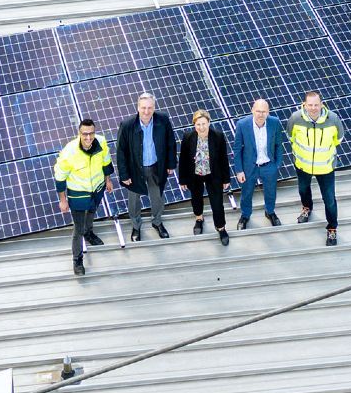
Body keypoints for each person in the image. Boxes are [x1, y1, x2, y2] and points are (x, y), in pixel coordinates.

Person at [52, 118, 112, 276]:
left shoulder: (101, 142)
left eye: (91, 133)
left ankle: (89, 233)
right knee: (77, 229)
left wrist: (108, 180)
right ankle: (77, 260)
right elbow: (60, 177)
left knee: (92, 213)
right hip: (78, 195)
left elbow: (106, 161)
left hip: (97, 189)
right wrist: (63, 200)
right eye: (84, 134)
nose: (88, 138)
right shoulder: (69, 152)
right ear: (79, 133)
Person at [116, 92, 175, 240]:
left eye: (150, 108)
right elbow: (120, 151)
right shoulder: (127, 125)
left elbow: (170, 143)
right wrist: (124, 174)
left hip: (156, 167)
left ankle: (157, 222)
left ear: (154, 107)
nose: (146, 111)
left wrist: (170, 163)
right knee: (134, 199)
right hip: (134, 169)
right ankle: (136, 226)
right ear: (138, 107)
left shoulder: (163, 120)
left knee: (157, 197)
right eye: (143, 108)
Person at [289, 90, 342, 245]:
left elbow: (339, 138)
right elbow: (290, 136)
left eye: (316, 105)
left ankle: (332, 228)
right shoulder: (295, 118)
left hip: (325, 168)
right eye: (310, 105)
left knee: (329, 200)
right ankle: (307, 208)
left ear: (321, 104)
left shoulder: (333, 119)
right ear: (304, 105)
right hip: (303, 165)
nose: (313, 108)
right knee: (303, 190)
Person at [177, 109, 231, 246]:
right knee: (196, 198)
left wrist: (226, 179)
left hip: (214, 175)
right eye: (198, 124)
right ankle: (199, 219)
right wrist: (182, 179)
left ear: (209, 122)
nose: (201, 127)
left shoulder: (218, 136)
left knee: (217, 203)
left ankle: (221, 227)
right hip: (194, 174)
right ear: (194, 125)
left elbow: (224, 159)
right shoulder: (188, 137)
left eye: (203, 124)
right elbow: (183, 159)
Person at [234, 98, 283, 230]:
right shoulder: (242, 125)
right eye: (258, 111)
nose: (261, 114)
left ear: (268, 112)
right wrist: (239, 170)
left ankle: (270, 212)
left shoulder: (275, 123)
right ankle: (245, 215)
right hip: (250, 166)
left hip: (268, 166)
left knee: (271, 192)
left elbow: (279, 144)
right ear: (252, 111)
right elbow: (237, 149)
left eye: (264, 112)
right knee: (247, 193)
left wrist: (277, 164)